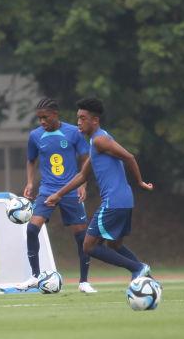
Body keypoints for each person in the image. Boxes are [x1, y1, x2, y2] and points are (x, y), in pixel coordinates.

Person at [46, 98, 154, 281]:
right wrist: (58, 195)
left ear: (94, 120)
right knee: (114, 245)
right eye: (77, 118)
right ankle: (148, 280)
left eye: (83, 118)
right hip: (124, 201)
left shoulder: (100, 140)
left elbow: (129, 157)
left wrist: (140, 181)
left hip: (113, 202)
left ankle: (138, 268)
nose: (78, 122)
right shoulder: (96, 142)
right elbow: (82, 176)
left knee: (88, 247)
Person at [18, 97, 98, 293]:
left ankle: (84, 281)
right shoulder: (35, 136)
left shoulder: (73, 132)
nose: (42, 122)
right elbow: (31, 160)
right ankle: (35, 277)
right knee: (31, 229)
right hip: (47, 190)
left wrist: (83, 184)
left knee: (82, 237)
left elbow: (86, 158)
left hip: (71, 190)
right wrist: (29, 182)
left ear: (55, 115)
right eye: (39, 119)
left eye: (45, 117)